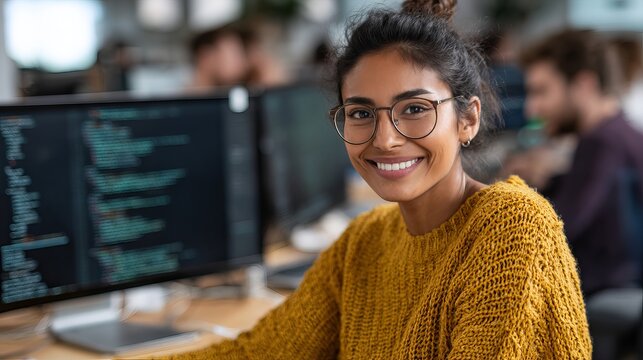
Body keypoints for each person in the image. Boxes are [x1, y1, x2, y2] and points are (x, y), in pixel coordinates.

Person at [163, 1, 591, 358]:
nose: (385, 140)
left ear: (468, 119)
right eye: (362, 113)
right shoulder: (364, 243)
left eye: (415, 109)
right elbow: (259, 352)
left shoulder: (511, 228)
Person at [518, 29, 643, 297]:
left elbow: (557, 230)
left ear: (584, 84)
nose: (533, 109)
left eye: (542, 91)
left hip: (601, 295)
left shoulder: (602, 143)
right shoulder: (623, 134)